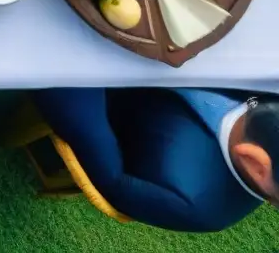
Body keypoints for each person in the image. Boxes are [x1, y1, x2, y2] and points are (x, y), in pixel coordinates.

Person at [33, 87, 279, 232]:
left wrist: (71, 68)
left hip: (98, 86)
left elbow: (105, 167)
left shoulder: (193, 203)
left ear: (256, 165)